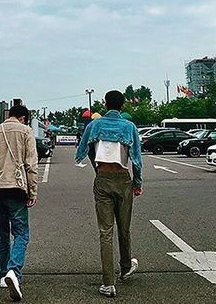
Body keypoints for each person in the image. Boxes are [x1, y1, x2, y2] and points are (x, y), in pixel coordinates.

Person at [75, 90, 143, 298]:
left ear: (105, 104)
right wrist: (137, 182)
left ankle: (108, 282)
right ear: (122, 106)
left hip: (102, 179)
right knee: (124, 228)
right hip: (123, 179)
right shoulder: (129, 127)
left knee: (105, 232)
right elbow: (137, 159)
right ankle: (125, 267)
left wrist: (94, 166)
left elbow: (80, 153)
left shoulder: (94, 125)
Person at [0, 104, 39, 302]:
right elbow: (31, 164)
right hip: (17, 189)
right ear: (23, 118)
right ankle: (14, 271)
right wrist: (33, 191)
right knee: (21, 233)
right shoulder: (26, 131)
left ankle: (3, 274)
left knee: (2, 233)